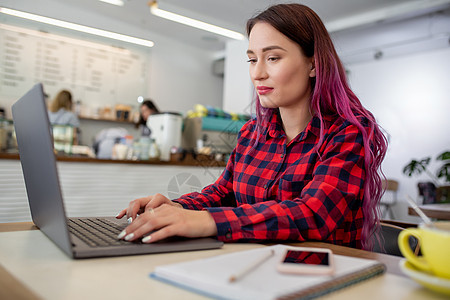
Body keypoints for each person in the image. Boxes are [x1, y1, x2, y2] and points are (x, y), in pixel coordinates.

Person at [116, 4, 387, 250]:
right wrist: (177, 207)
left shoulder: (347, 134)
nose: (257, 73)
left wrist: (207, 221)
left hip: (325, 274)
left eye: (273, 58)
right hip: (257, 266)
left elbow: (312, 215)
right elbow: (225, 192)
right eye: (252, 59)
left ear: (313, 64)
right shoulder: (252, 133)